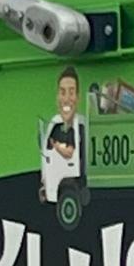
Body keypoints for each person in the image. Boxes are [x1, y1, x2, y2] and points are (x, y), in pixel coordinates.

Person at [40, 67, 82, 204]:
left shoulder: (72, 128)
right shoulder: (61, 125)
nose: (66, 99)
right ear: (57, 96)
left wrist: (56, 145)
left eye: (71, 92)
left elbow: (69, 152)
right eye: (62, 92)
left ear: (78, 97)